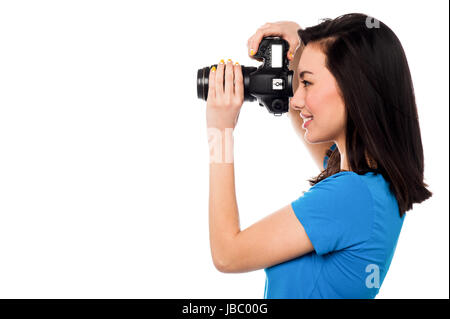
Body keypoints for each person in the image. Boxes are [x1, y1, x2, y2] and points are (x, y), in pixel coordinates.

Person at [205, 13, 432, 299]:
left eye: (307, 83)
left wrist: (220, 131)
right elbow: (298, 109)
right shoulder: (373, 184)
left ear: (354, 89)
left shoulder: (351, 194)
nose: (297, 99)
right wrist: (297, 51)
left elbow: (228, 254)